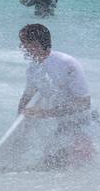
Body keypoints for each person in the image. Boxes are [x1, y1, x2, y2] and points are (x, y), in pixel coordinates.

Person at [16, 23, 95, 168]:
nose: (22, 48)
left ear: (35, 44)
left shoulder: (66, 63)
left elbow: (84, 104)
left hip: (84, 125)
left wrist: (45, 113)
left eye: (24, 43)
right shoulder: (33, 68)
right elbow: (26, 98)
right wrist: (18, 129)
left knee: (79, 169)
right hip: (62, 126)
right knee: (48, 166)